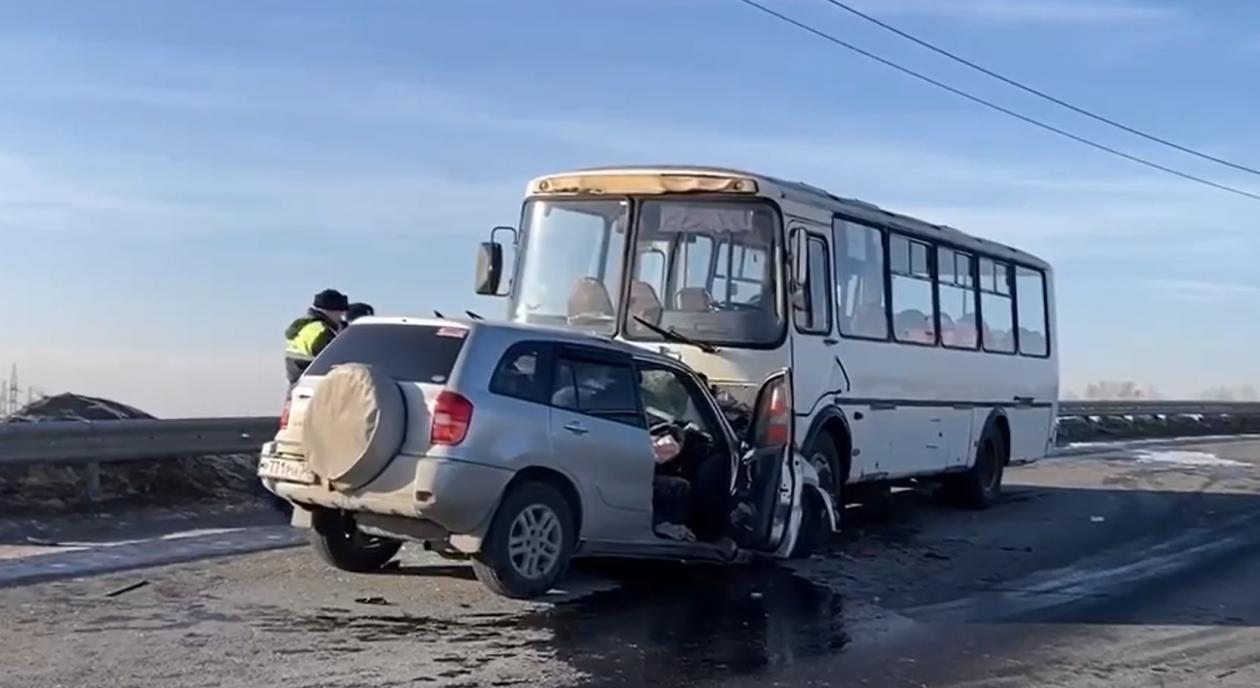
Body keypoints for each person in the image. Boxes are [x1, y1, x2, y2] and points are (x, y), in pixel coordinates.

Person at [284, 289, 349, 384]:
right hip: (317, 386)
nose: (341, 316)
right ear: (330, 311)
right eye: (340, 313)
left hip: (298, 384)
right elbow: (337, 359)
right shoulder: (320, 331)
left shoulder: (303, 326)